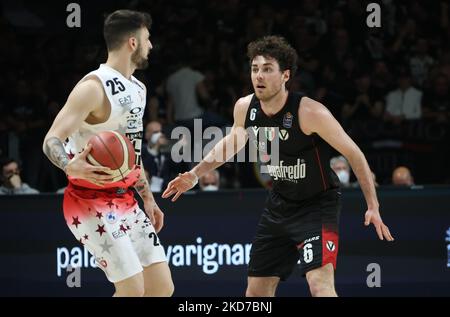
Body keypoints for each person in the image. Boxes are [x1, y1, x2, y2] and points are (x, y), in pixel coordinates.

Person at [163, 35, 394, 297]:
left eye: (267, 69)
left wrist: (373, 205)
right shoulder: (245, 107)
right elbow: (231, 144)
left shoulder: (310, 112)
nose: (258, 76)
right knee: (255, 293)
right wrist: (194, 175)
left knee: (320, 286)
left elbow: (355, 154)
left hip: (316, 206)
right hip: (279, 206)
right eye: (254, 69)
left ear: (285, 75)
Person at [42, 10, 173, 297]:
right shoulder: (93, 87)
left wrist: (148, 199)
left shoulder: (138, 89)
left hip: (125, 199)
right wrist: (68, 165)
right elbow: (51, 139)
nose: (151, 46)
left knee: (162, 288)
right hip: (88, 201)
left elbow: (133, 156)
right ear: (133, 42)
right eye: (148, 39)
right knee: (132, 290)